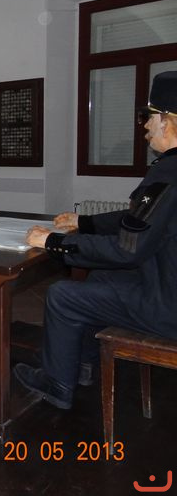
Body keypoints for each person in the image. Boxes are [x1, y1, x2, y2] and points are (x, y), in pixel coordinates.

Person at [15, 71, 177, 410]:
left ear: (167, 120)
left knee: (62, 295)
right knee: (102, 277)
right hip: (166, 283)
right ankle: (82, 364)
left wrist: (53, 243)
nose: (144, 126)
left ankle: (57, 385)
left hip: (168, 306)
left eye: (147, 117)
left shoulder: (168, 172)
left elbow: (128, 248)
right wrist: (84, 222)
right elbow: (140, 219)